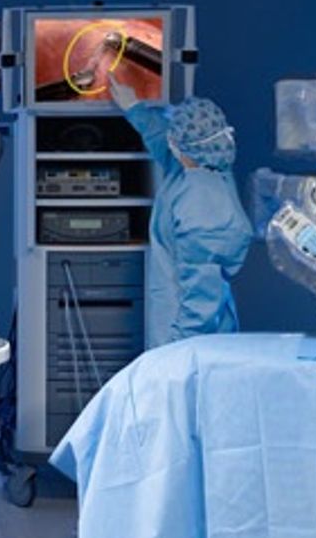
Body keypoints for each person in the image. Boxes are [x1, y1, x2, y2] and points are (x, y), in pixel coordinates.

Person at [108, 73, 253, 348]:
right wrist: (134, 108)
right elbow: (164, 143)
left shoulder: (204, 209)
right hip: (180, 324)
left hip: (188, 335)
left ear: (183, 146)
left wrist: (178, 350)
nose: (169, 138)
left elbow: (202, 299)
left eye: (173, 133)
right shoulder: (202, 168)